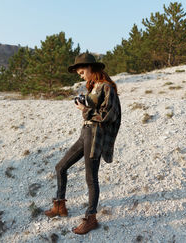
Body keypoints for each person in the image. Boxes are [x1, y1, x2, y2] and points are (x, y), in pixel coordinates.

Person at [44, 52, 122, 235]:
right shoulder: (95, 87)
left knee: (90, 178)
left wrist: (84, 110)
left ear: (91, 68)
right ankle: (60, 206)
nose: (81, 76)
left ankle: (91, 218)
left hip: (95, 136)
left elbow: (109, 116)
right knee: (60, 167)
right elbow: (94, 107)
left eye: (82, 72)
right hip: (85, 133)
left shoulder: (106, 87)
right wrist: (85, 106)